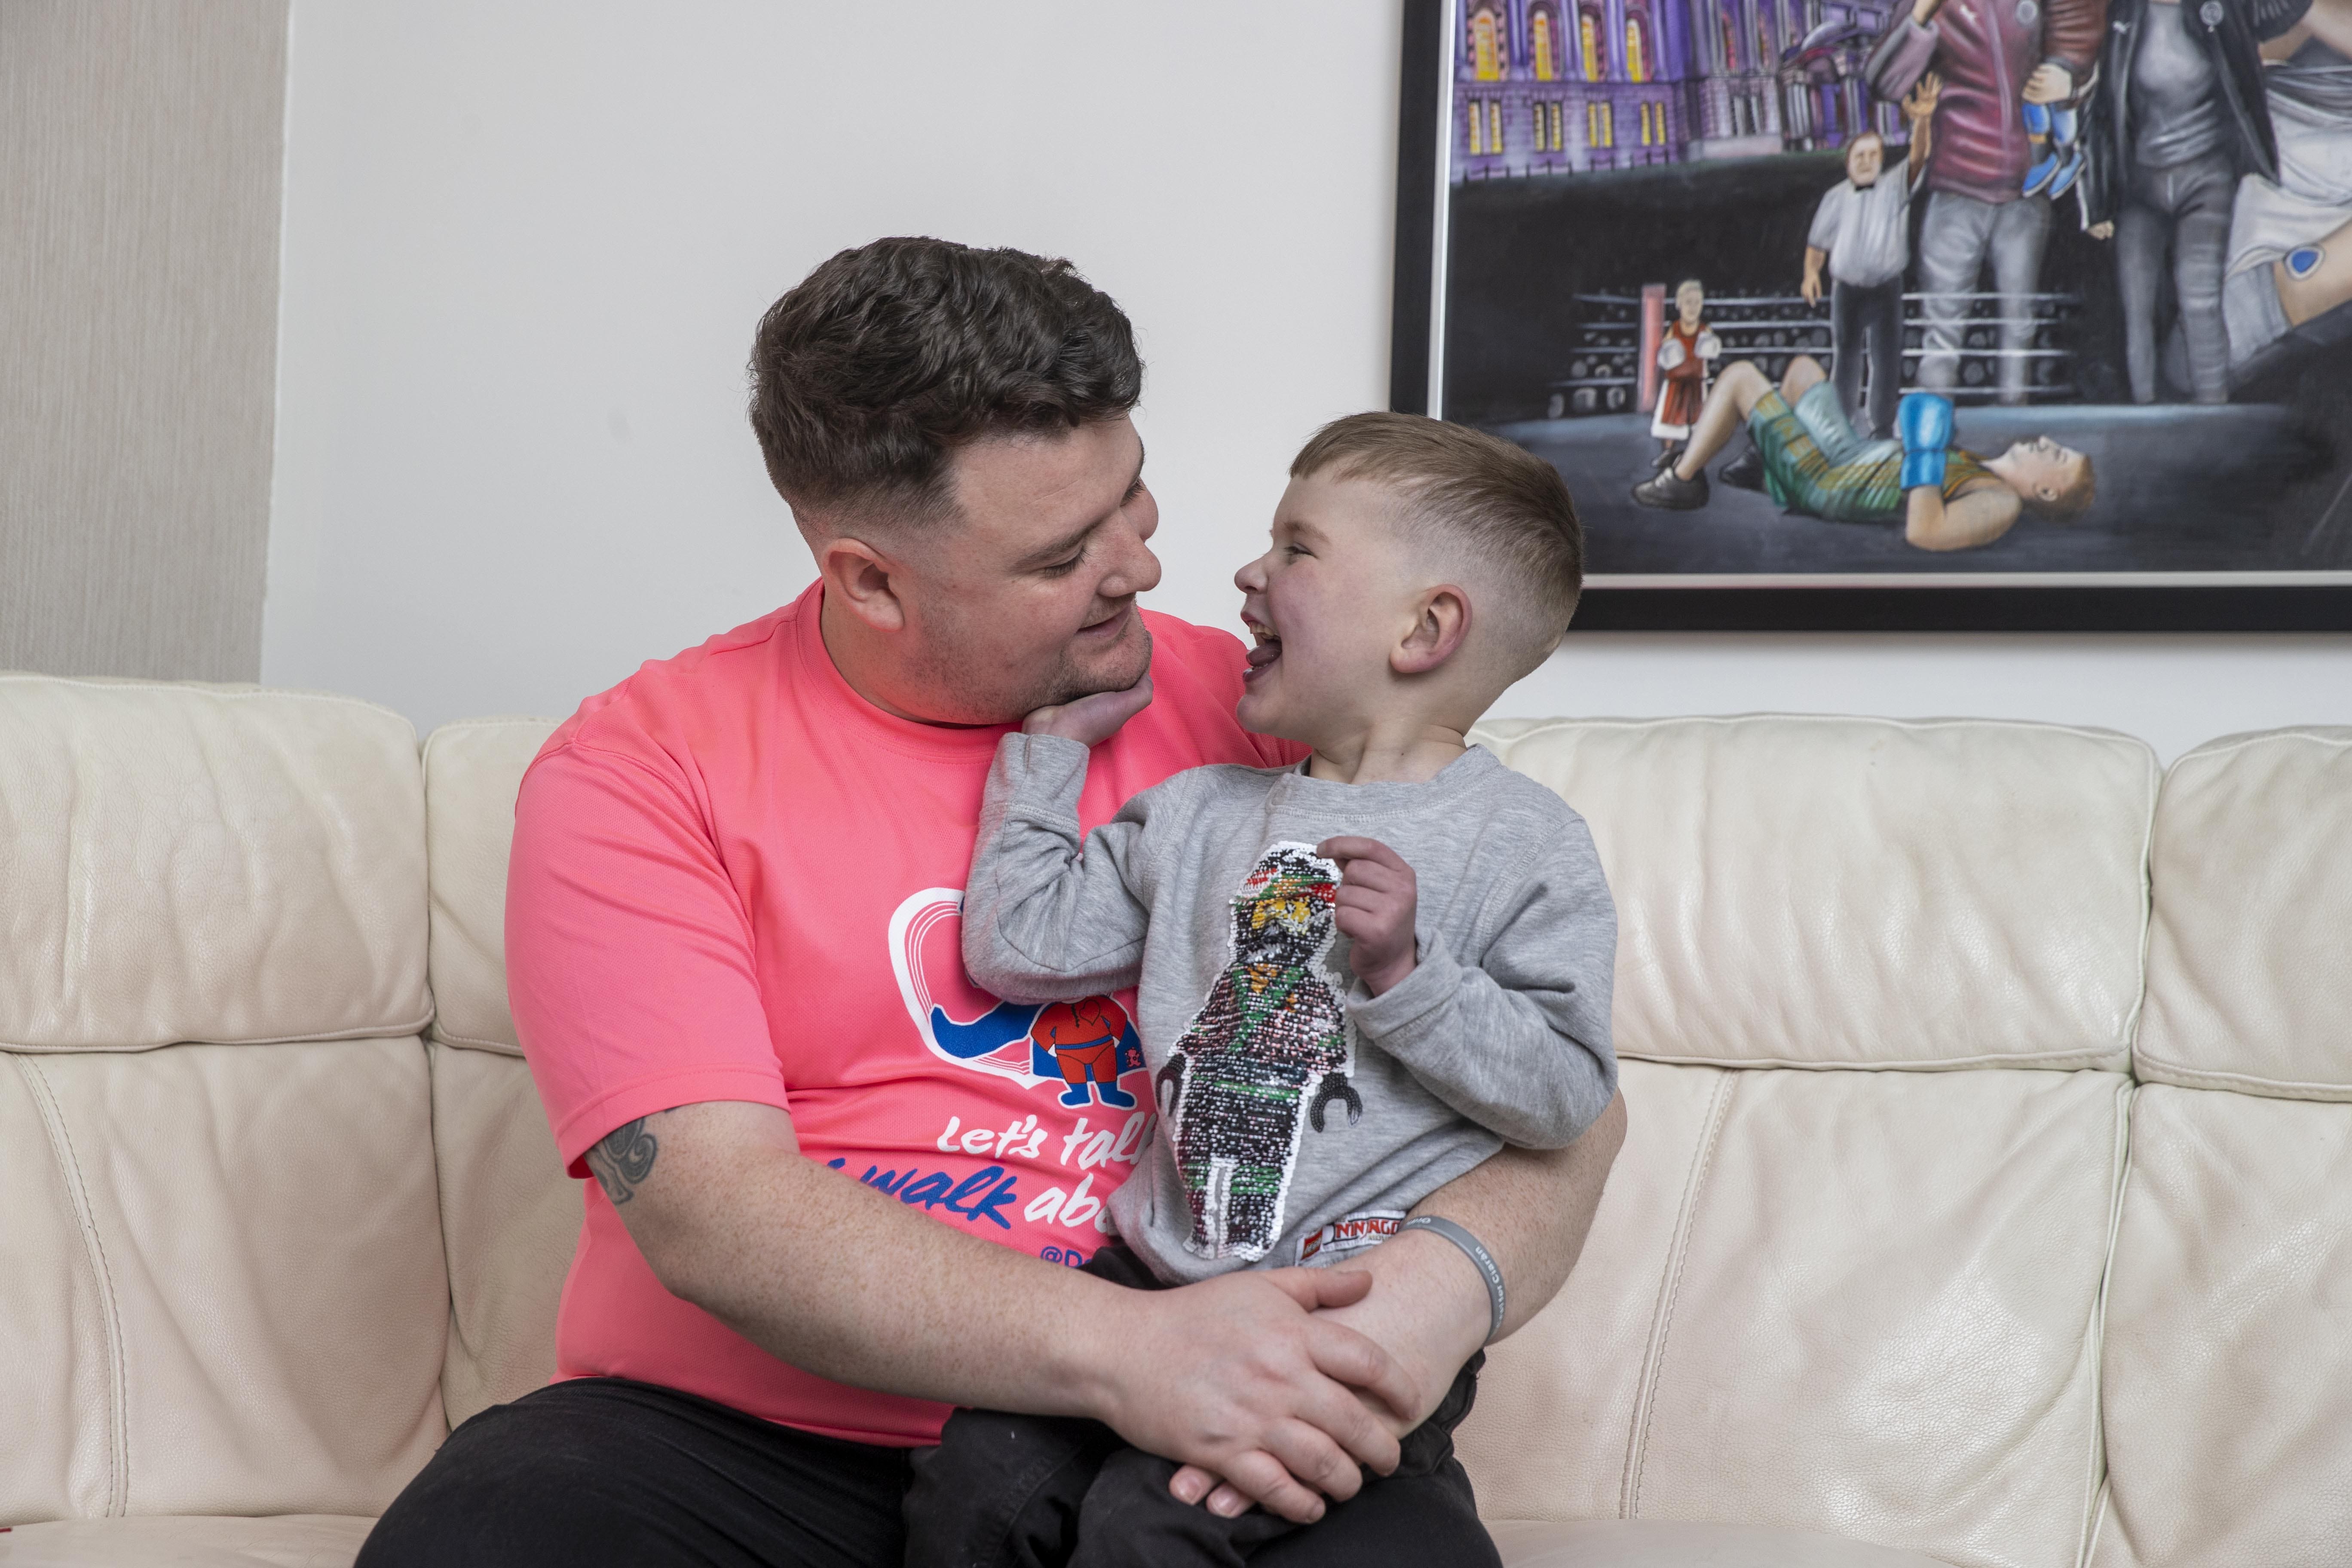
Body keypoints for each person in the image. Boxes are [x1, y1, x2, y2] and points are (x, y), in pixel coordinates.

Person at [353, 238, 1627, 1568]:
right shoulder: (642, 769)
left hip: (1223, 1401)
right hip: (768, 1444)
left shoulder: (1272, 717)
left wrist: (1427, 1305)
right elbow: (713, 1208)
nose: (1141, 565)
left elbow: (1568, 1103)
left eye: (1133, 498)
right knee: (491, 1532)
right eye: (1064, 552)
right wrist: (1130, 1350)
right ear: (872, 579)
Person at [903, 413, 1617, 1568]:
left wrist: (1410, 979)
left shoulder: (1526, 846)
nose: (1248, 571)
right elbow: (1018, 949)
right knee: (974, 1486)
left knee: (1154, 1525)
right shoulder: (1198, 813)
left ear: (1425, 628)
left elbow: (1567, 1095)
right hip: (1152, 1284)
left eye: (1299, 549)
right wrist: (1049, 757)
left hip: (1346, 1305)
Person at [1867, 0, 2107, 403]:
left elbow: (2080, 50)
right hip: (1956, 187)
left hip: (2025, 192)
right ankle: (1934, 445)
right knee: (1942, 333)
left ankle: (2015, 440)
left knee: (2018, 330)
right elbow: (1884, 83)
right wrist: (1920, 17)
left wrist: (2068, 79)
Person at [2076, 0, 2308, 402]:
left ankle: (2212, 412)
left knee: (2199, 299)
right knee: (2137, 309)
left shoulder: (2223, 11)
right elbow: (2100, 114)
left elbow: (2286, 8)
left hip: (2207, 179)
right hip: (2140, 186)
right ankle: (2145, 418)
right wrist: (2099, 203)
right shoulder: (2122, 17)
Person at [1631, 355, 2095, 551]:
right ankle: (1767, 468)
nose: (2047, 444)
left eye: (2057, 457)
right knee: (1804, 371)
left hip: (1832, 483)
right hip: (1852, 455)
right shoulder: (1983, 468)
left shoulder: (2003, 502)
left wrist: (1926, 448)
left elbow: (1925, 531)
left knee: (1740, 378)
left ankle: (1684, 482)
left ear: (2046, 492)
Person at [1801, 79, 1941, 440]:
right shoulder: (1834, 198)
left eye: (1873, 155)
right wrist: (1810, 275)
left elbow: (1918, 157)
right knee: (1845, 358)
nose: (1866, 162)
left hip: (1886, 288)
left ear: (1881, 160)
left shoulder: (1895, 186)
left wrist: (1922, 121)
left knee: (1887, 359)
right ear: (1848, 162)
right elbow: (1817, 243)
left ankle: (1881, 427)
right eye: (1859, 156)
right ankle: (1841, 426)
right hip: (1846, 289)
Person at [1650, 280, 1721, 470]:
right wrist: (1669, 355)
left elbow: (1714, 349)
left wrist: (1709, 348)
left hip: (1696, 381)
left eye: (1697, 302)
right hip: (1676, 382)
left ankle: (1695, 454)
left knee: (1698, 418)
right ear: (1679, 304)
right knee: (1672, 416)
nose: (1693, 307)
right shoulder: (1674, 328)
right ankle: (1669, 452)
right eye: (1688, 302)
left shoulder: (1704, 330)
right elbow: (1663, 353)